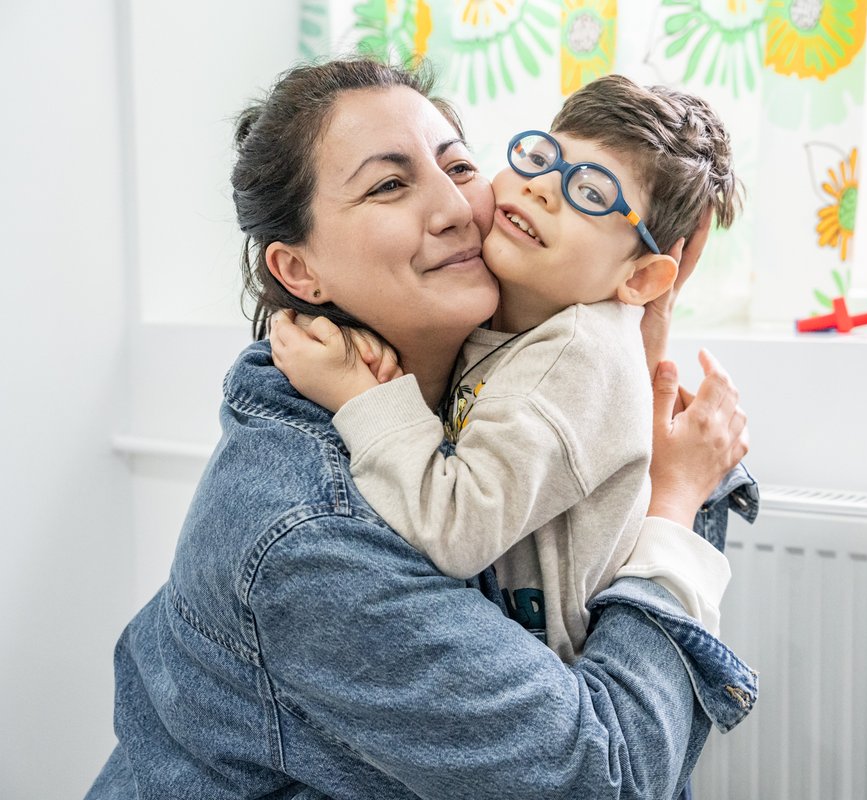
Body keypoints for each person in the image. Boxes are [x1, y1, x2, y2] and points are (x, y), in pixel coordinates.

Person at [86, 58, 758, 799]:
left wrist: (634, 326)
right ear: (300, 272)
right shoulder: (310, 535)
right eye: (388, 185)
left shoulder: (510, 373)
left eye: (459, 165)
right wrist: (674, 508)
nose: (458, 209)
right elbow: (611, 778)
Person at [269, 74, 742, 662]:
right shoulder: (523, 320)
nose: (544, 188)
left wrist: (358, 393)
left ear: (641, 278)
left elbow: (457, 527)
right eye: (543, 156)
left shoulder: (568, 361)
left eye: (593, 194)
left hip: (551, 670)